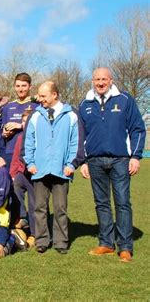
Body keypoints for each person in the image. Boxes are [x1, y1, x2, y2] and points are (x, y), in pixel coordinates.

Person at [79, 68, 146, 263]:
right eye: (97, 79)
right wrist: (83, 160)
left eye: (104, 79)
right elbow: (81, 135)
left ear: (111, 80)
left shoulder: (125, 99)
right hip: (95, 161)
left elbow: (138, 128)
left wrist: (136, 156)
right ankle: (106, 243)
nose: (100, 83)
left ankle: (125, 247)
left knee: (122, 203)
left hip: (120, 160)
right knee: (101, 203)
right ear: (92, 81)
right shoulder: (85, 103)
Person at [24, 81, 84, 254]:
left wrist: (72, 164)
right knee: (39, 207)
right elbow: (28, 141)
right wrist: (30, 163)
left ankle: (61, 242)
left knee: (60, 208)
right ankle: (42, 241)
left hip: (61, 170)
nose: (39, 99)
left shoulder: (71, 114)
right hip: (39, 170)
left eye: (43, 96)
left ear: (54, 95)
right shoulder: (35, 115)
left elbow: (76, 142)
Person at [9, 109, 36, 247]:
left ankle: (34, 233)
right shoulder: (20, 137)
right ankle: (21, 217)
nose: (26, 124)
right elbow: (15, 157)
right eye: (24, 121)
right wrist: (13, 174)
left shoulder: (39, 136)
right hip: (21, 173)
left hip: (35, 175)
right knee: (15, 188)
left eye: (29, 121)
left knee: (34, 203)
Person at [2, 73, 38, 166]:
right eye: (18, 86)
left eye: (24, 86)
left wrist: (21, 126)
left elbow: (39, 128)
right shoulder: (8, 107)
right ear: (14, 87)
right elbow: (3, 129)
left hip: (29, 151)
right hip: (11, 151)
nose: (21, 89)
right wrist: (5, 133)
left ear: (30, 87)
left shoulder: (37, 106)